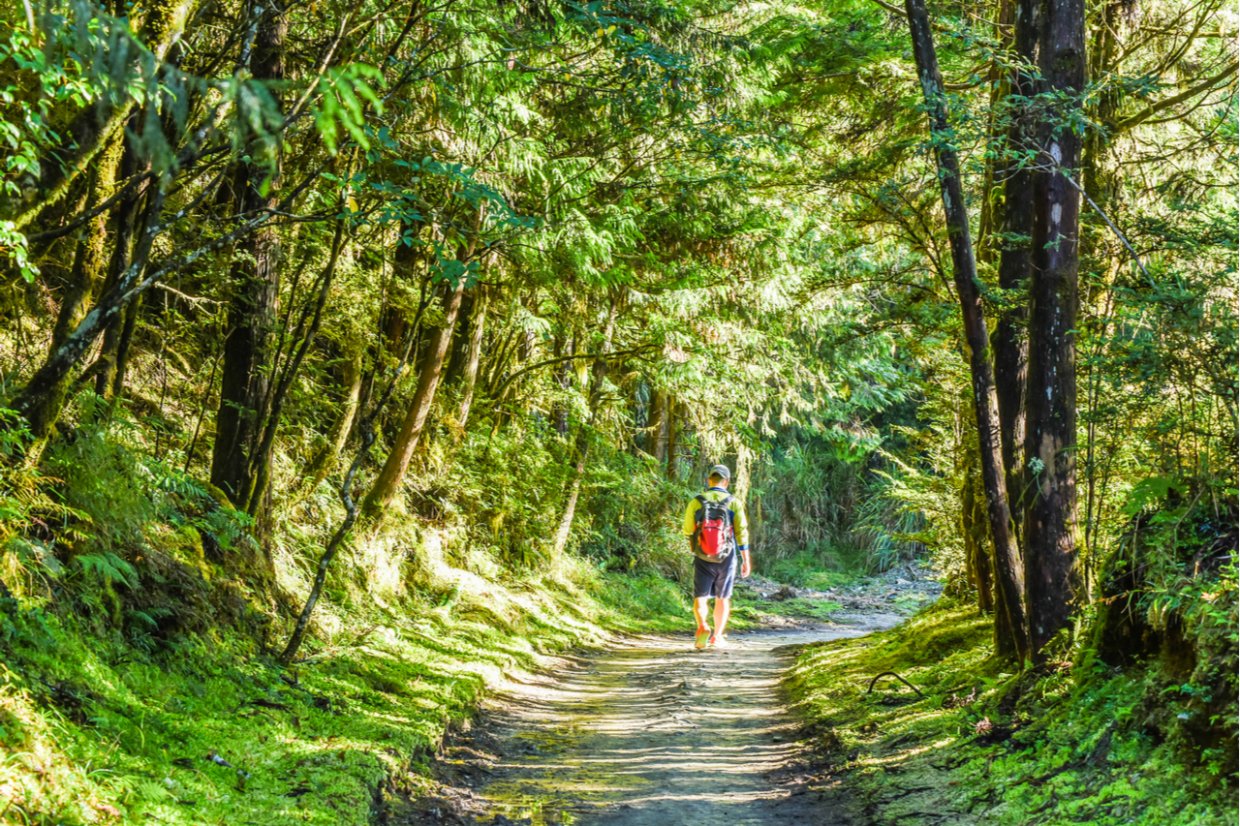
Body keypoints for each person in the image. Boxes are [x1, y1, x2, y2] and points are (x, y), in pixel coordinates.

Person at [683, 464, 751, 649]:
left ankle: (702, 626)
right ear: (726, 482)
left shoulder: (696, 502)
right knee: (722, 597)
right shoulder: (733, 502)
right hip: (727, 556)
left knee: (701, 596)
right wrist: (746, 559)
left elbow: (688, 530)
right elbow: (741, 532)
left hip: (702, 555)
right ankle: (717, 637)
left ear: (708, 480)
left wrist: (696, 548)